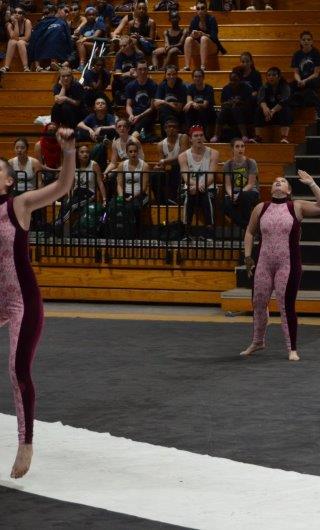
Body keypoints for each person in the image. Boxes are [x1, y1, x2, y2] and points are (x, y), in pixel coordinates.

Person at [0, 126, 76, 479]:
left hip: (22, 300)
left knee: (17, 370)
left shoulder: (19, 205)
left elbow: (62, 186)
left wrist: (68, 152)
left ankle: (25, 441)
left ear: (8, 180)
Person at [240, 171, 320, 360]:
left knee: (285, 304)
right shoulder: (261, 207)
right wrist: (247, 256)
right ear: (271, 188)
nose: (278, 182)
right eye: (275, 181)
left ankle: (292, 348)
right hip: (264, 263)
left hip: (287, 264)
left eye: (282, 181)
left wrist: (312, 183)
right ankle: (257, 341)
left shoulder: (296, 206)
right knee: (258, 302)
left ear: (289, 190)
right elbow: (249, 232)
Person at [179, 124, 219, 240]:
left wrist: (199, 186)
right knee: (190, 194)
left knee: (204, 193)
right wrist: (196, 186)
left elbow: (211, 175)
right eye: (196, 136)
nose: (199, 138)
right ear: (190, 139)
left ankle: (209, 231)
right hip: (190, 188)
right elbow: (185, 177)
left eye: (201, 135)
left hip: (208, 187)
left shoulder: (214, 153)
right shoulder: (183, 156)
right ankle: (187, 231)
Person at [56, 143, 105, 227]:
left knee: (73, 205)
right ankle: (58, 225)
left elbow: (100, 183)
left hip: (89, 193)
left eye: (87, 152)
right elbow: (71, 184)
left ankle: (58, 223)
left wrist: (104, 199)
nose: (85, 154)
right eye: (82, 152)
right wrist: (69, 196)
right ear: (77, 154)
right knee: (65, 204)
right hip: (77, 192)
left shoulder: (94, 165)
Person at [222, 138, 260, 231]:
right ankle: (247, 227)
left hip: (250, 191)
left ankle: (246, 229)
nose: (240, 149)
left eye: (242, 146)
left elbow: (251, 184)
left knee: (244, 196)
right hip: (234, 192)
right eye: (237, 146)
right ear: (232, 149)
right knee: (224, 203)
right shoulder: (227, 164)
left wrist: (240, 194)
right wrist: (231, 195)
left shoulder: (251, 162)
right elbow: (228, 185)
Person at [115, 140, 150, 236]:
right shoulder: (122, 165)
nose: (133, 153)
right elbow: (119, 184)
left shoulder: (144, 166)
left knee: (134, 206)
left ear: (138, 152)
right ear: (127, 153)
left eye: (135, 151)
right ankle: (121, 232)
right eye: (130, 151)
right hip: (126, 193)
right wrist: (121, 196)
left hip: (140, 194)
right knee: (116, 205)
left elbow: (144, 187)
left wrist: (132, 197)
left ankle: (136, 232)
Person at [211, 67, 255, 143]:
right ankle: (216, 135)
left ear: (240, 80)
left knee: (236, 109)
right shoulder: (226, 88)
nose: (232, 82)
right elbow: (223, 103)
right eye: (231, 80)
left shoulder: (247, 88)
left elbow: (249, 104)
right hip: (229, 113)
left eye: (235, 80)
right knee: (224, 110)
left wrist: (239, 103)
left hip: (244, 113)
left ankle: (244, 135)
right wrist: (230, 103)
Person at [152, 118, 188, 204]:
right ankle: (161, 202)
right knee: (154, 175)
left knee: (176, 168)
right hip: (170, 170)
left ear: (178, 129)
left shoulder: (183, 137)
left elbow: (181, 157)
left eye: (174, 127)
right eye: (169, 127)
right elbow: (162, 164)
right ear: (165, 129)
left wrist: (164, 161)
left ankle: (175, 199)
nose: (171, 129)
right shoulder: (160, 145)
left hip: (184, 167)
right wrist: (158, 167)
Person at [184, 1, 226, 72]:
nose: (200, 11)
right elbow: (189, 35)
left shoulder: (211, 19)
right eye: (198, 8)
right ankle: (187, 66)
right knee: (188, 39)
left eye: (202, 8)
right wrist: (192, 35)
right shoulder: (194, 20)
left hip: (212, 46)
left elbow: (214, 37)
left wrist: (202, 34)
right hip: (200, 47)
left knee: (204, 38)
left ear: (206, 9)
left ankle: (203, 66)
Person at [28, 4, 72, 72]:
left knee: (55, 37)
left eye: (47, 13)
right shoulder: (42, 21)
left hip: (57, 42)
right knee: (35, 40)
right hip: (42, 42)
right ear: (58, 10)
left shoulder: (62, 22)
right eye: (65, 11)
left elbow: (67, 36)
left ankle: (57, 64)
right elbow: (36, 33)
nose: (67, 14)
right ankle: (38, 67)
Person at [255, 66, 292, 144]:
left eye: (274, 75)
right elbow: (261, 99)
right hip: (268, 115)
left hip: (278, 113)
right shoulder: (264, 87)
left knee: (285, 109)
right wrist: (265, 108)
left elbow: (284, 101)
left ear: (279, 77)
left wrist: (273, 111)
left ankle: (284, 137)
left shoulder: (285, 86)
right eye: (269, 75)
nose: (271, 77)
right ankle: (258, 137)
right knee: (258, 109)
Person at [290, 30, 320, 114]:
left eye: (308, 39)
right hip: (301, 80)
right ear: (300, 41)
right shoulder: (297, 54)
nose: (306, 41)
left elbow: (316, 74)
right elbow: (296, 73)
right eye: (304, 39)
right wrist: (299, 81)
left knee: (312, 84)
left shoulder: (316, 53)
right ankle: (305, 98)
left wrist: (305, 81)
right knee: (289, 86)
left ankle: (302, 99)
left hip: (312, 79)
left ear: (312, 41)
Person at [125, 60, 159, 140]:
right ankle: (141, 137)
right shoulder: (130, 86)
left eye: (145, 69)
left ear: (147, 70)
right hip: (135, 113)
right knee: (124, 125)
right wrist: (131, 115)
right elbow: (128, 105)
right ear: (136, 70)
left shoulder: (153, 85)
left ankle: (132, 139)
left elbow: (152, 108)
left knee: (142, 123)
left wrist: (139, 116)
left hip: (148, 114)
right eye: (140, 69)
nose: (143, 72)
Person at [153, 64, 187, 130]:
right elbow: (156, 104)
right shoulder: (162, 86)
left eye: (173, 74)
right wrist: (172, 104)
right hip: (165, 114)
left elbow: (179, 109)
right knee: (164, 111)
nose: (171, 77)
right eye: (169, 74)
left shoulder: (182, 87)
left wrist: (164, 102)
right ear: (165, 75)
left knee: (165, 109)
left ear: (177, 75)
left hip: (177, 115)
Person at [184, 68, 216, 137]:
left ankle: (203, 135)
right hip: (194, 110)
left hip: (207, 111)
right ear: (193, 78)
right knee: (188, 110)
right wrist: (192, 103)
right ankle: (190, 135)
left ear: (203, 77)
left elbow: (205, 105)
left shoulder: (209, 88)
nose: (197, 78)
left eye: (199, 76)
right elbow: (189, 102)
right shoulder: (191, 87)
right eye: (195, 76)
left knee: (201, 111)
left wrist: (193, 103)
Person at [112, 36, 144, 106]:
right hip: (124, 79)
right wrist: (128, 73)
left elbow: (139, 72)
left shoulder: (139, 55)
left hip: (135, 79)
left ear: (131, 44)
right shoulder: (119, 55)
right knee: (115, 82)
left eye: (124, 46)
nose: (122, 48)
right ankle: (116, 101)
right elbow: (118, 73)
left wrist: (126, 74)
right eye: (120, 46)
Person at [74, 6, 106, 72]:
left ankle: (82, 64)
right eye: (89, 15)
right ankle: (81, 65)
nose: (91, 16)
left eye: (93, 15)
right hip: (85, 45)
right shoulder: (84, 26)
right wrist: (80, 39)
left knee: (80, 43)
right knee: (78, 42)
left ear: (96, 16)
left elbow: (95, 36)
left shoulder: (99, 24)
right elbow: (80, 38)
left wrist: (85, 38)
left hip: (97, 45)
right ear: (86, 16)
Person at [1, 5, 32, 72]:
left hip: (28, 43)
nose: (17, 14)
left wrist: (17, 38)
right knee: (12, 41)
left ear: (23, 15)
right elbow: (14, 36)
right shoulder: (9, 24)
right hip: (16, 43)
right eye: (15, 12)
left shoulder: (27, 22)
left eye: (19, 13)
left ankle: (26, 67)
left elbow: (27, 38)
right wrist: (16, 23)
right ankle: (6, 67)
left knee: (20, 42)